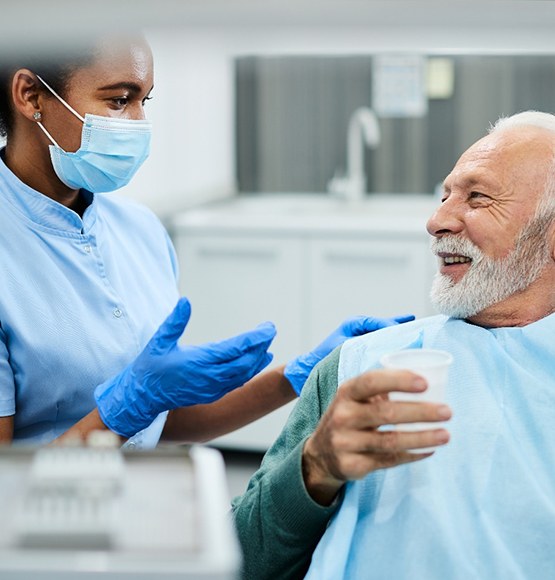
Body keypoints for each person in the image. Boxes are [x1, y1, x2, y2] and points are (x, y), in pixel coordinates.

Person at [0, 33, 412, 447]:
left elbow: (164, 419)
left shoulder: (139, 230)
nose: (139, 124)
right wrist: (125, 406)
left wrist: (301, 373)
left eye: (145, 100)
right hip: (49, 511)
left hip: (142, 494)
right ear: (31, 95)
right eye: (119, 100)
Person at [232, 110, 555, 579]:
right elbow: (242, 559)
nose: (437, 220)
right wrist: (313, 468)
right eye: (444, 195)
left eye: (477, 198)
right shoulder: (361, 373)